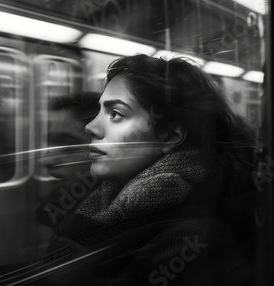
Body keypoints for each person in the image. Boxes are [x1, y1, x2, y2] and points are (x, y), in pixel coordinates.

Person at [40, 54, 257, 285]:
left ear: (170, 136)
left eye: (115, 114)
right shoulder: (104, 204)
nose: (91, 127)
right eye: (99, 112)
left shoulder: (191, 241)